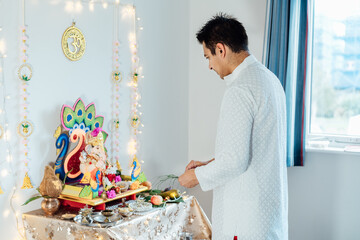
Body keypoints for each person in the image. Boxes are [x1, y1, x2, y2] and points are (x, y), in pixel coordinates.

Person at [178, 13, 288, 240]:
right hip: (267, 211)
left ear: (221, 49)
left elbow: (236, 161)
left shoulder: (240, 89)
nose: (209, 66)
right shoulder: (270, 80)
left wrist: (196, 176)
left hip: (244, 218)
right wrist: (210, 163)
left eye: (208, 57)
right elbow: (255, 148)